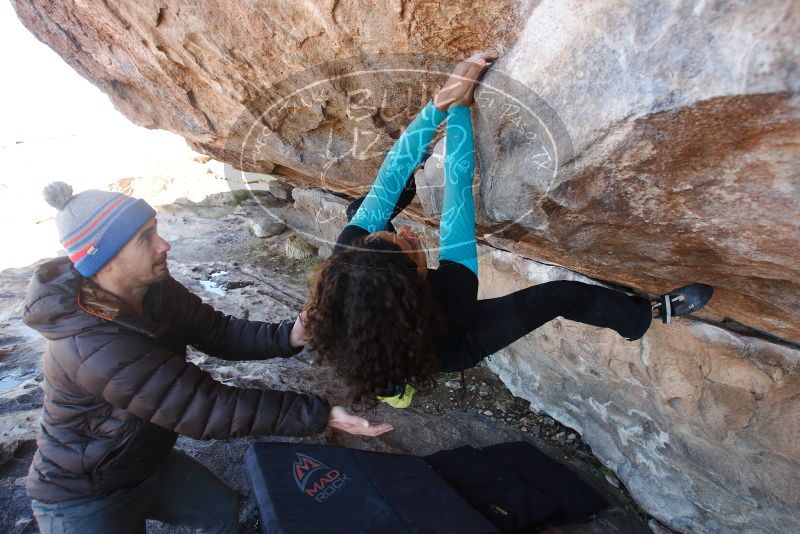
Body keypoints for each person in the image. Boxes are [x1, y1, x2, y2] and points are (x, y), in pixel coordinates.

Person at [303, 52, 713, 409]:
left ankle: (390, 218)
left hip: (381, 308)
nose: (410, 234)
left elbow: (389, 175)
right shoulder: (452, 298)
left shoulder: (352, 254)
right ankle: (650, 314)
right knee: (559, 296)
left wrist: (446, 100)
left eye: (390, 236)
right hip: (445, 342)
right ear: (416, 284)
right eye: (411, 249)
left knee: (366, 207)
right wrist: (462, 111)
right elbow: (458, 197)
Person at [22, 183, 392, 534]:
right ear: (103, 260)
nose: (163, 244)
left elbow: (217, 332)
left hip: (147, 463)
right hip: (85, 494)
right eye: (145, 238)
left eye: (156, 229)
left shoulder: (154, 289)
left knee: (221, 511)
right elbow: (204, 408)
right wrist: (319, 413)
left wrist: (290, 334)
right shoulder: (92, 344)